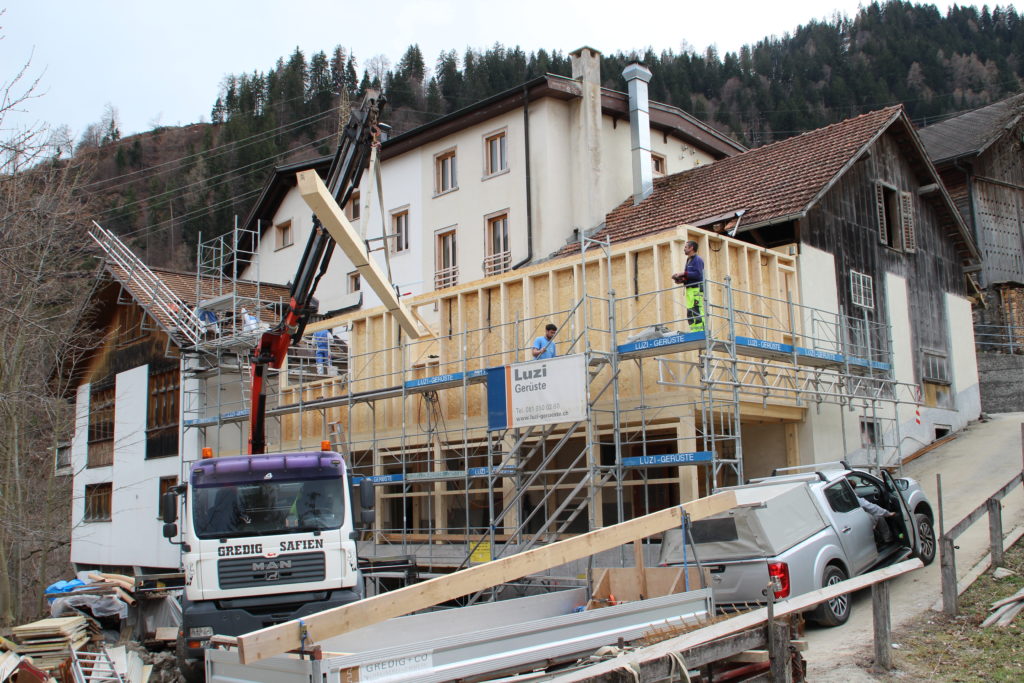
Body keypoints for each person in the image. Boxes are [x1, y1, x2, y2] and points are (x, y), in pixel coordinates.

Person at [671, 241, 705, 332]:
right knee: (690, 312)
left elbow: (698, 274)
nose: (684, 249)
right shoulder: (688, 260)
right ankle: (694, 332)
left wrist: (683, 273)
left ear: (691, 248)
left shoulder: (697, 259)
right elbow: (689, 276)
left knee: (697, 310)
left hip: (696, 289)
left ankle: (702, 332)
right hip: (689, 290)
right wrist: (681, 280)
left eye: (686, 247)